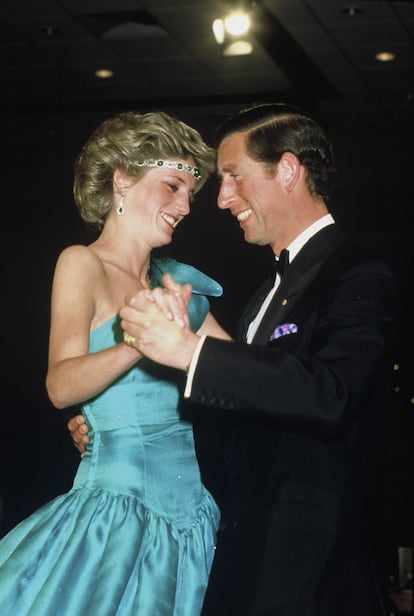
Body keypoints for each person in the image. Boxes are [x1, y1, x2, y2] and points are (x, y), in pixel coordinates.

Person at [106, 103, 396, 615]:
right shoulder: (265, 292)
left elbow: (330, 395)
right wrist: (113, 422)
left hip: (311, 574)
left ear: (287, 171)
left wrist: (190, 350)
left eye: (232, 177)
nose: (220, 199)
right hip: (245, 560)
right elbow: (244, 412)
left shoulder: (358, 274)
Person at [0, 110, 231, 615]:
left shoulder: (179, 286)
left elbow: (249, 379)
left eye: (190, 193)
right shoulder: (82, 263)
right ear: (122, 180)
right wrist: (140, 341)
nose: (185, 205)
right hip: (114, 521)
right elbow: (61, 386)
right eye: (172, 185)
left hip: (192, 523)